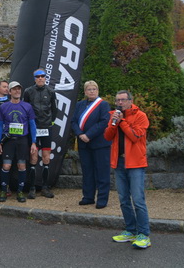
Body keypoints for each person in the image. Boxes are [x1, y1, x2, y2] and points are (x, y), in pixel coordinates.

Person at [105, 90, 151, 249]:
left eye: (123, 100)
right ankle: (131, 230)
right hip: (119, 163)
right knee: (124, 200)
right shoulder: (115, 115)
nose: (119, 103)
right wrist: (114, 122)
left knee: (138, 200)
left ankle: (144, 235)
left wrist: (122, 121)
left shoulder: (141, 116)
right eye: (117, 100)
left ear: (130, 101)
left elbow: (135, 136)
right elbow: (107, 136)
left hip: (136, 164)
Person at [70, 81, 111, 209]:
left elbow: (104, 121)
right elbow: (73, 121)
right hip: (84, 144)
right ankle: (88, 197)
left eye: (94, 89)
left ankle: (102, 199)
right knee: (87, 171)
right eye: (89, 89)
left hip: (99, 144)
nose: (92, 91)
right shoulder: (80, 105)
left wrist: (89, 135)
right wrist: (80, 134)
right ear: (85, 92)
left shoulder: (103, 105)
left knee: (102, 172)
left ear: (98, 91)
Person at [0, 81, 37, 203]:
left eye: (19, 89)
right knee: (6, 166)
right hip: (9, 140)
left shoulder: (27, 106)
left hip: (22, 140)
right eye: (14, 89)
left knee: (22, 165)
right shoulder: (3, 107)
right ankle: (4, 190)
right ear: (9, 92)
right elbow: (0, 125)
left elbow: (32, 125)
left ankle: (20, 191)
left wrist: (34, 142)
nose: (17, 91)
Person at [22, 68, 57, 199]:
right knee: (34, 157)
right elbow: (25, 109)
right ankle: (32, 188)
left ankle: (45, 187)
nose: (40, 78)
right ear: (34, 78)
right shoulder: (28, 91)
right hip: (33, 128)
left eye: (42, 76)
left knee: (46, 157)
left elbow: (55, 110)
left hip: (46, 128)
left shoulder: (51, 91)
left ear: (45, 77)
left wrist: (50, 123)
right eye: (38, 76)